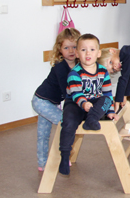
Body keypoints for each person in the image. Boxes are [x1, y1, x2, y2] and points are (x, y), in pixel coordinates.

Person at [59, 34, 116, 175]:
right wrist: (84, 103)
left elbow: (107, 93)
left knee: (107, 100)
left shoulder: (103, 71)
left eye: (91, 49)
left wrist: (110, 111)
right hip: (75, 103)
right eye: (83, 50)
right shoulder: (74, 73)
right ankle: (65, 156)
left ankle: (91, 119)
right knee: (68, 123)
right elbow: (76, 93)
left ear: (98, 53)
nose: (88, 53)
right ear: (77, 54)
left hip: (95, 104)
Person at [31, 28, 81, 171]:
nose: (71, 51)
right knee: (66, 124)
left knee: (43, 133)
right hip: (41, 101)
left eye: (74, 47)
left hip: (49, 103)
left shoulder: (78, 67)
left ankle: (42, 163)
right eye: (66, 47)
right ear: (60, 50)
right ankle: (61, 158)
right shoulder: (60, 68)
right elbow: (68, 92)